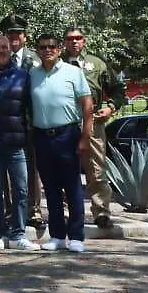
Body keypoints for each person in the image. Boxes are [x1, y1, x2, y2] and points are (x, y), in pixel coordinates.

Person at [29, 32, 93, 253]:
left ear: (59, 50)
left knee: (72, 187)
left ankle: (76, 236)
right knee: (51, 188)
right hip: (42, 136)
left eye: (52, 46)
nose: (47, 50)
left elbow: (87, 106)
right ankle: (57, 235)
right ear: (37, 50)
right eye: (43, 47)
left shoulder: (73, 72)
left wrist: (85, 137)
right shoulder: (32, 74)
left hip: (67, 135)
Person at [0, 35, 39, 251]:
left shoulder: (23, 75)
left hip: (16, 142)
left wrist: (30, 135)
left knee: (21, 190)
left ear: (10, 50)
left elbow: (30, 108)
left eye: (4, 47)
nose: (1, 50)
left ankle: (19, 233)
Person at [62, 27, 122, 229]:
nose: (74, 42)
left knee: (96, 169)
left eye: (78, 38)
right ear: (64, 42)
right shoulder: (56, 63)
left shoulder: (97, 63)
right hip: (65, 121)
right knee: (64, 168)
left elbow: (118, 89)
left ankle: (101, 212)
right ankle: (65, 212)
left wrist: (111, 108)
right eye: (70, 39)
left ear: (84, 41)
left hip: (93, 122)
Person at [0, 13, 44, 229]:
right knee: (10, 169)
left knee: (32, 168)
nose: (14, 37)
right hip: (7, 123)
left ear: (25, 37)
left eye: (18, 33)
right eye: (10, 33)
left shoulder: (37, 59)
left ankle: (34, 210)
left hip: (32, 122)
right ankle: (11, 210)